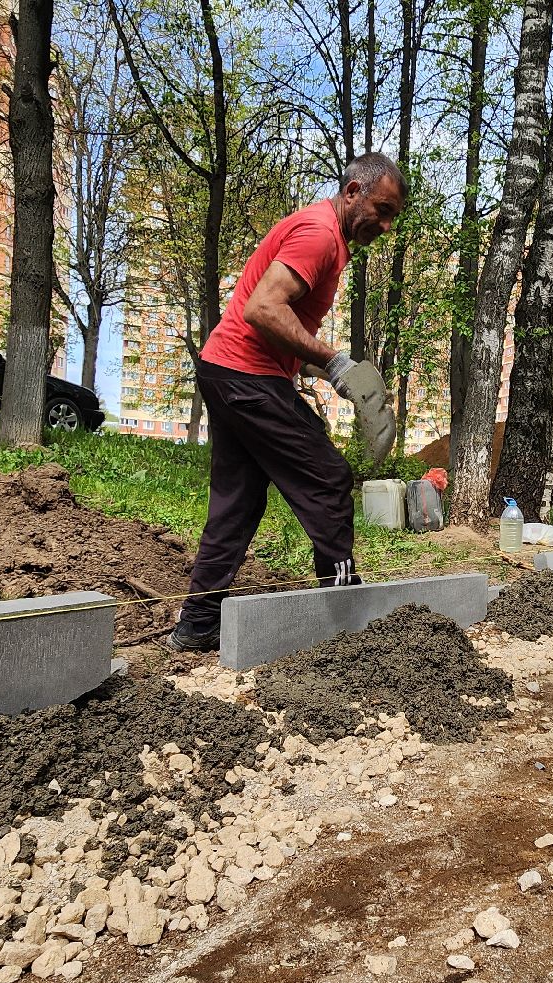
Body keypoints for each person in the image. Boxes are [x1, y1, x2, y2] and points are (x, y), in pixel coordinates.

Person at [166, 153, 404, 651]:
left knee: (239, 501)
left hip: (226, 370)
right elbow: (262, 309)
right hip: (246, 377)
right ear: (353, 191)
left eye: (391, 217)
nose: (383, 225)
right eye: (380, 210)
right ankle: (343, 616)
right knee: (330, 477)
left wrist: (330, 372)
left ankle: (198, 623)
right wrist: (334, 358)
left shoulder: (328, 240)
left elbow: (282, 324)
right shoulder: (318, 235)